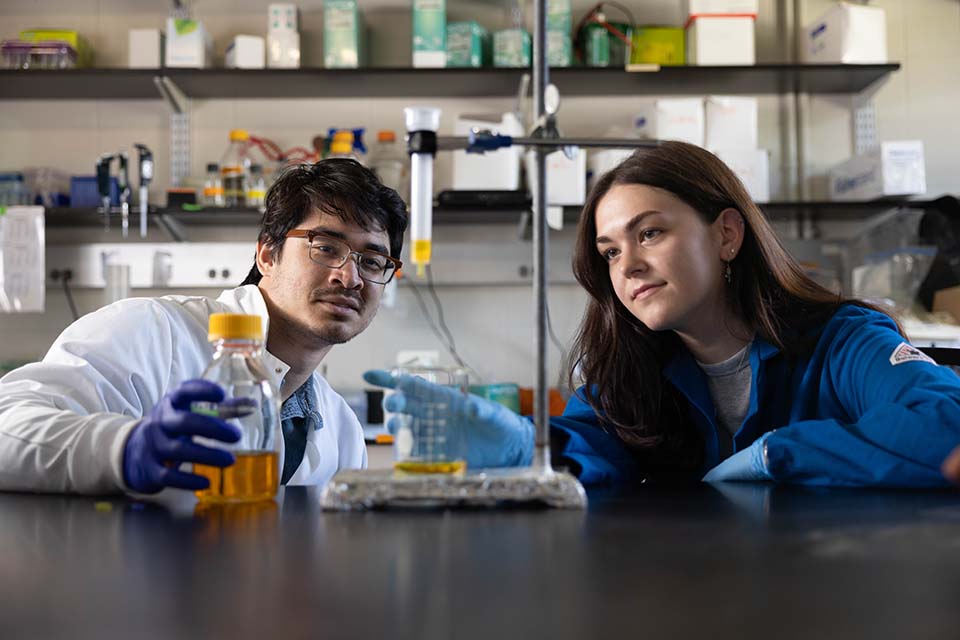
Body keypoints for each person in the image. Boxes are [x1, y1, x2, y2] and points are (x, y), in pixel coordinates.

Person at [366, 141, 960, 487]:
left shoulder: (843, 342)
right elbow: (584, 449)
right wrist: (526, 448)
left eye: (649, 233)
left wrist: (778, 454)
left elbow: (946, 427)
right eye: (610, 252)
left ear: (727, 234)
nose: (627, 267)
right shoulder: (630, 373)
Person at [0, 159, 407, 494]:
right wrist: (123, 449)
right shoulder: (153, 332)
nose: (349, 277)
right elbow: (8, 425)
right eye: (325, 247)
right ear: (267, 254)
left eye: (371, 261)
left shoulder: (342, 428)